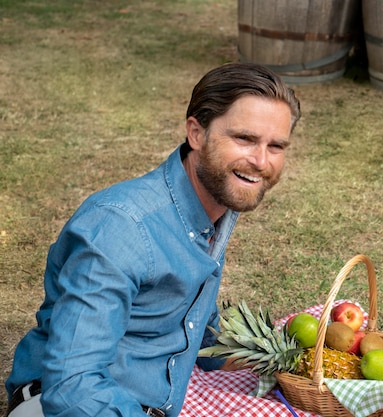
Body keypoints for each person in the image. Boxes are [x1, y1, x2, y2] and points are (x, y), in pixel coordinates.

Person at [5, 62, 301, 417]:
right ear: (196, 133)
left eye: (276, 146)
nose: (260, 161)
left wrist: (287, 361)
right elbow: (72, 388)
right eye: (244, 139)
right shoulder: (122, 228)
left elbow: (188, 313)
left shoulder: (217, 200)